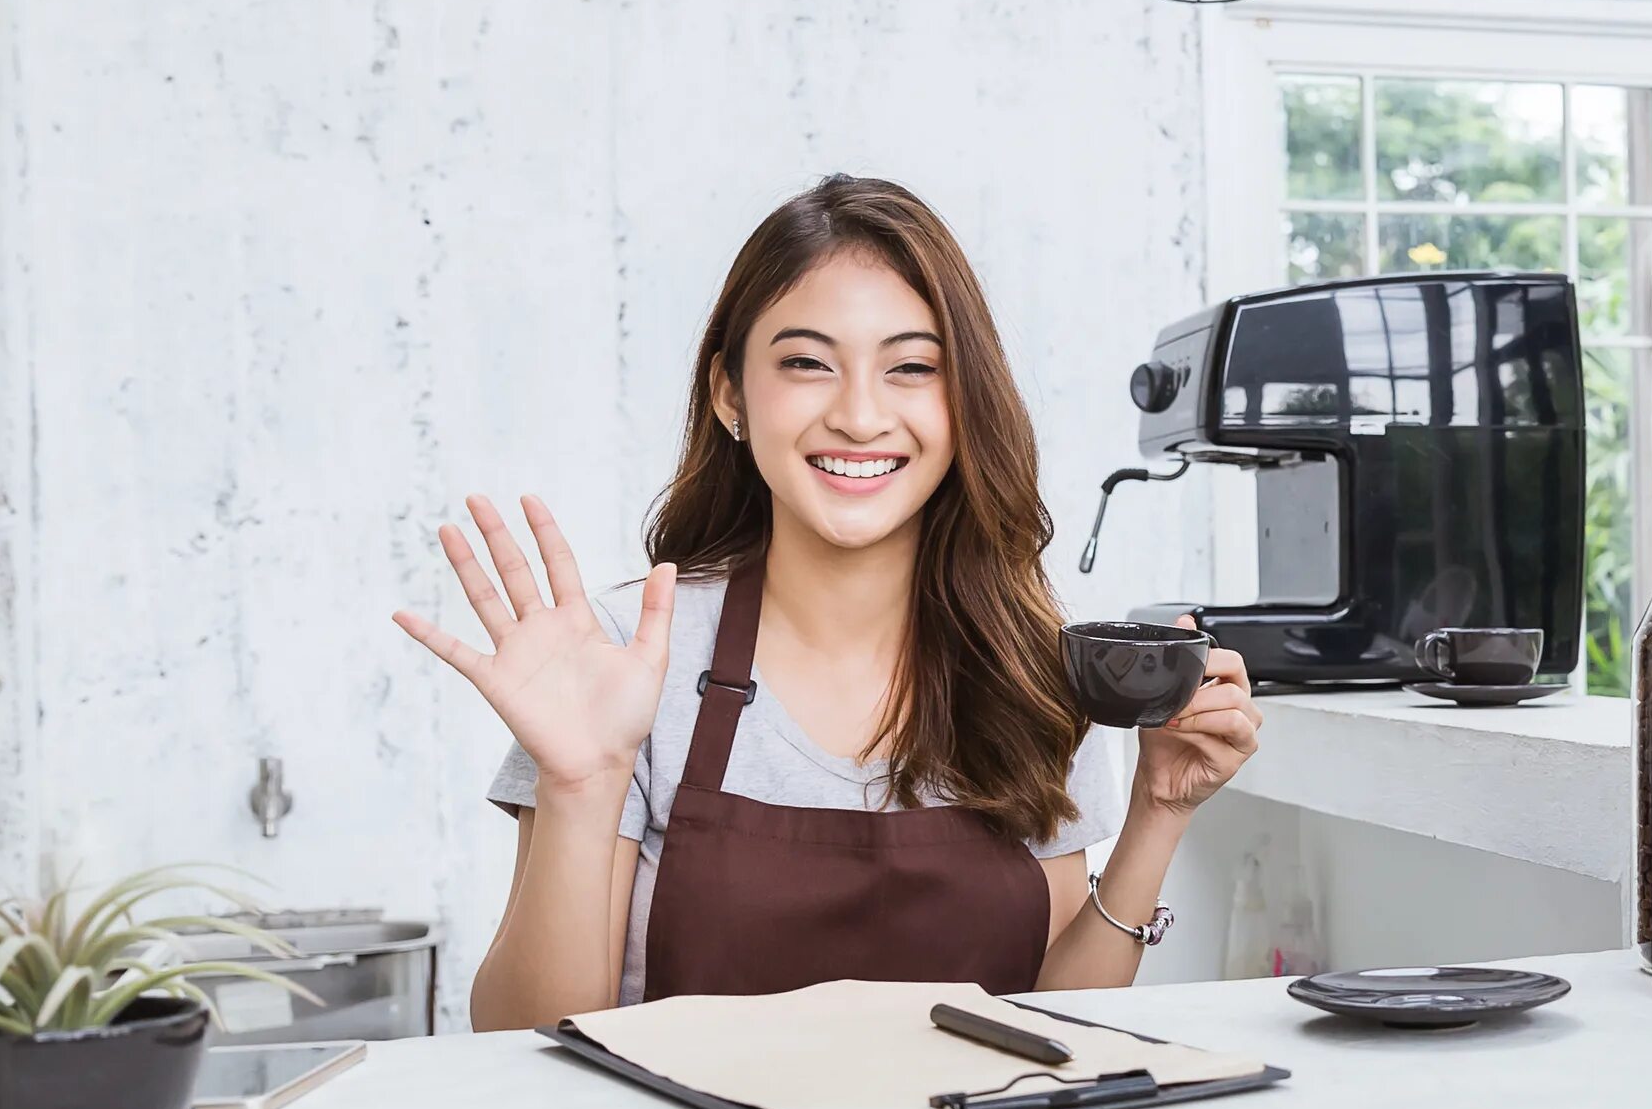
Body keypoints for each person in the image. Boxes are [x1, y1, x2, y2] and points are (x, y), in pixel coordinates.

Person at [394, 176, 1261, 1030]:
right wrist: (582, 785)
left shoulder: (1025, 667)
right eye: (806, 363)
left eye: (912, 367)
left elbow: (1055, 1025)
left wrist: (1158, 814)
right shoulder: (623, 659)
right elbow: (522, 1037)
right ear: (731, 393)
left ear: (964, 401)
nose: (858, 414)